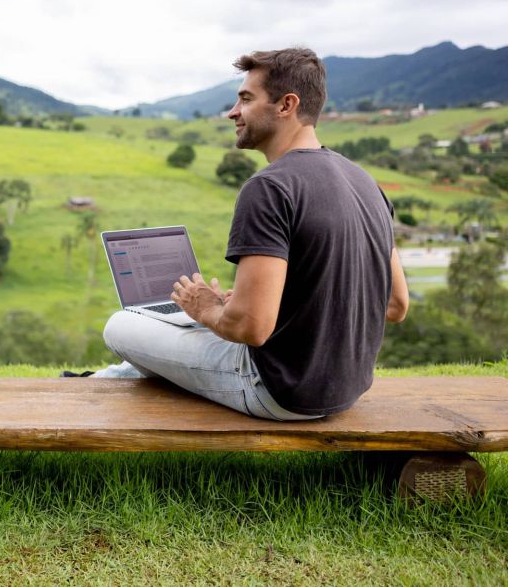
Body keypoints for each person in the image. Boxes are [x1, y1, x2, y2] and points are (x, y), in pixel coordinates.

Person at [95, 48, 409, 420]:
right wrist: (251, 303)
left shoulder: (270, 187)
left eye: (245, 98)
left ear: (286, 105)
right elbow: (395, 305)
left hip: (277, 391)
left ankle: (117, 374)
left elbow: (251, 327)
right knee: (186, 330)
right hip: (346, 389)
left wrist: (207, 308)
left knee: (121, 325)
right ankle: (124, 375)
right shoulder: (364, 181)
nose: (232, 112)